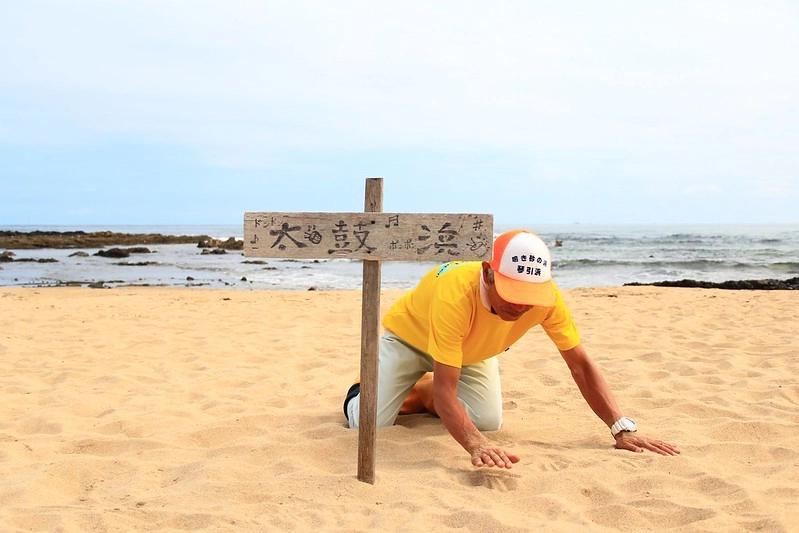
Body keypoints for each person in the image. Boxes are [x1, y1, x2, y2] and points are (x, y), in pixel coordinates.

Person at [343, 229, 680, 469]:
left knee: (487, 420)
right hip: (410, 339)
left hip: (470, 352)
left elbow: (580, 365)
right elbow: (449, 391)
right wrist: (475, 446)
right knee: (367, 423)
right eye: (512, 293)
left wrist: (620, 426)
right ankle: (364, 386)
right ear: (488, 273)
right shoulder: (455, 293)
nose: (521, 307)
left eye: (529, 296)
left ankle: (419, 393)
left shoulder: (547, 299)